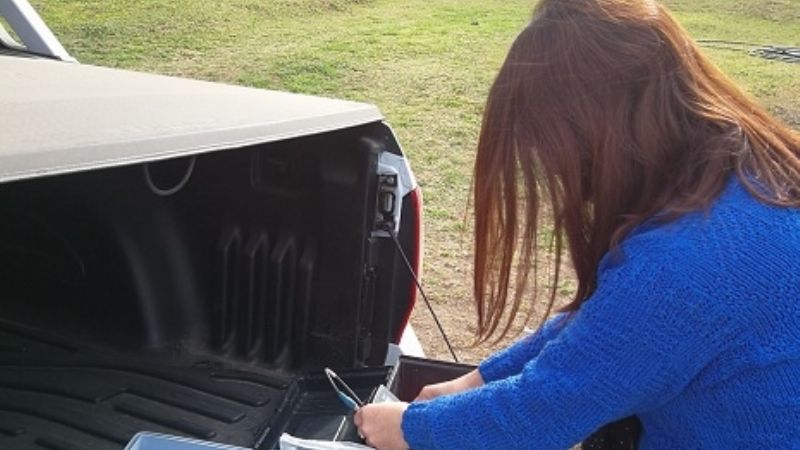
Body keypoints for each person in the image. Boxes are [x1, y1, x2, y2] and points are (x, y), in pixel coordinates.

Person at [354, 0, 800, 448]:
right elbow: (608, 326)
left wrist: (407, 428)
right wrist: (474, 380)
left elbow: (540, 414)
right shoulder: (750, 176)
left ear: (596, 132)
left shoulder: (686, 262)